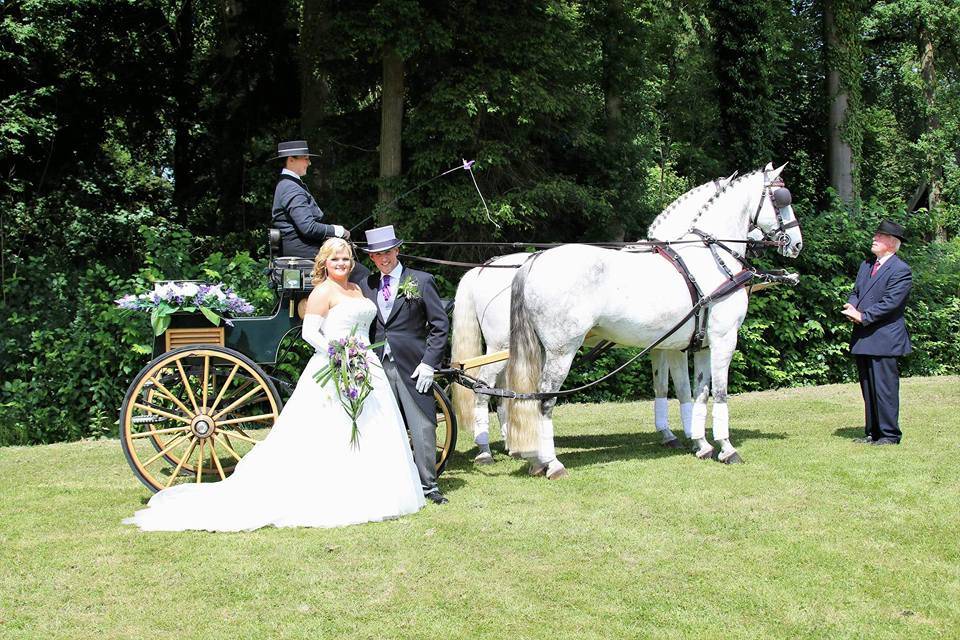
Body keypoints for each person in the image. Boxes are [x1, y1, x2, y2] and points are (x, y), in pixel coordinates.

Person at [124, 238, 424, 531]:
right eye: (335, 259)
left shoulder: (357, 288)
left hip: (364, 363)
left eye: (345, 258)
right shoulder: (323, 292)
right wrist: (338, 354)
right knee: (333, 429)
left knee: (372, 423)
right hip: (335, 362)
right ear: (325, 263)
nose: (342, 264)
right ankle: (333, 493)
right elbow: (310, 333)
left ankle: (372, 490)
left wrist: (356, 355)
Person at [359, 226, 451, 504]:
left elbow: (439, 325)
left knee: (422, 424)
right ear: (371, 259)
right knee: (379, 423)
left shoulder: (421, 281)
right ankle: (387, 483)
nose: (383, 258)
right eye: (377, 255)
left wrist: (429, 363)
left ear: (397, 250)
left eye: (387, 252)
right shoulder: (367, 285)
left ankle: (429, 485)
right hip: (375, 365)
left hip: (413, 364)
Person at [842, 219, 912, 446]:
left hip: (885, 337)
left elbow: (891, 302)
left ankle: (890, 435)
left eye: (880, 236)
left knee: (885, 389)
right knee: (868, 387)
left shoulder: (901, 270)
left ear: (892, 243)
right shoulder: (866, 265)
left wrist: (864, 316)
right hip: (864, 336)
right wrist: (851, 307)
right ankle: (872, 433)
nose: (874, 238)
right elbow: (857, 291)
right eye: (876, 235)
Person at [270, 139, 370, 284]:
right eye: (306, 158)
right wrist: (337, 230)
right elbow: (308, 227)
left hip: (307, 248)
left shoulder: (289, 184)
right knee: (362, 275)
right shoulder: (290, 187)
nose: (309, 163)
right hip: (304, 253)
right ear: (291, 160)